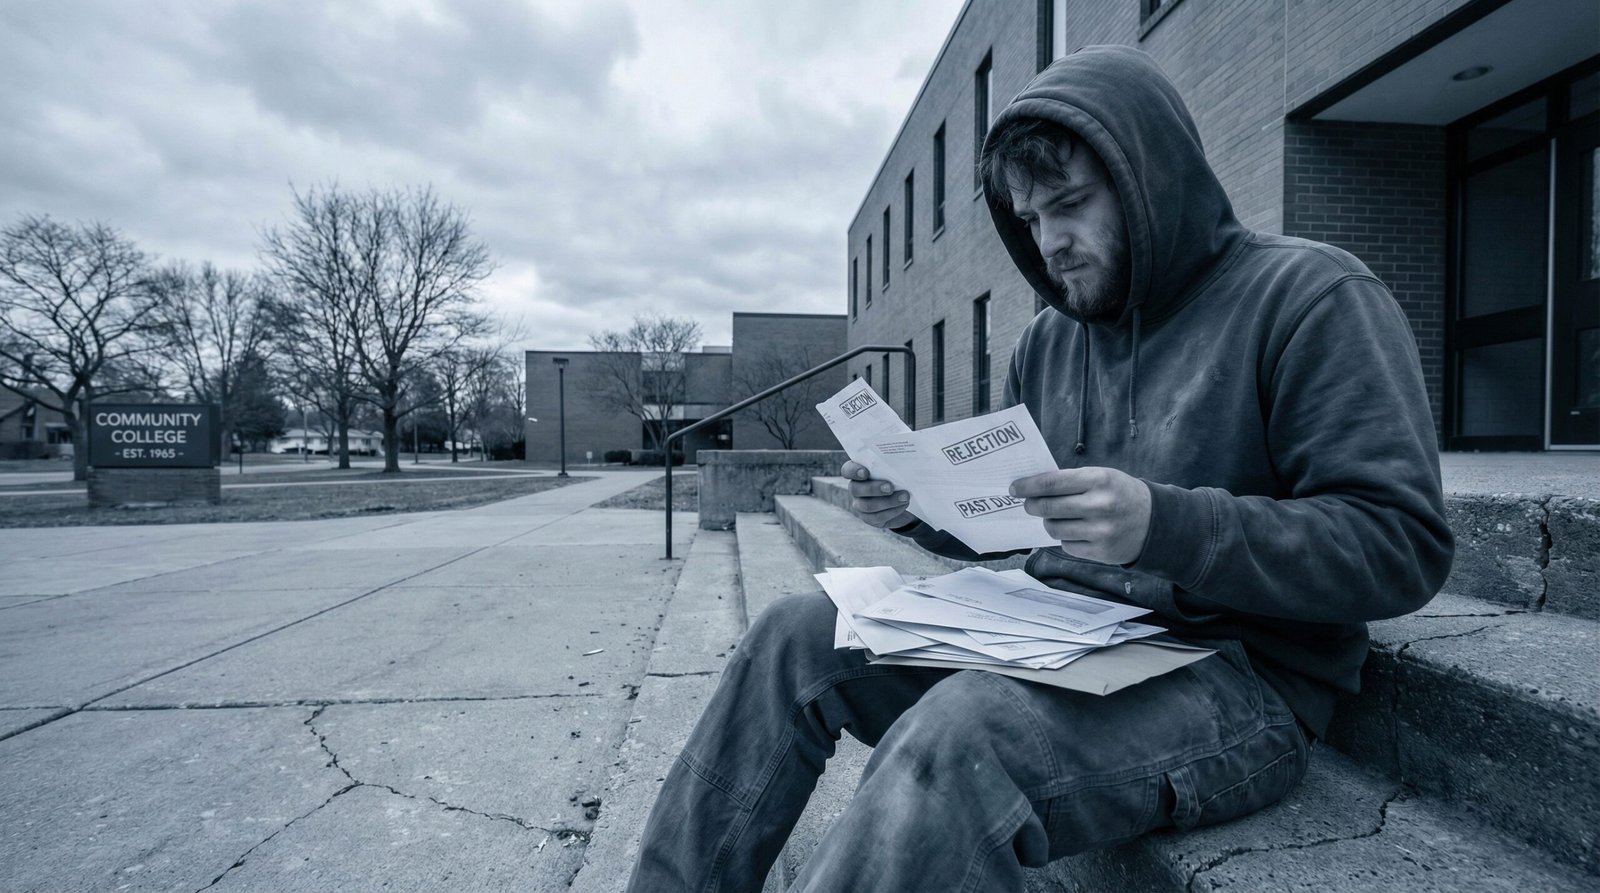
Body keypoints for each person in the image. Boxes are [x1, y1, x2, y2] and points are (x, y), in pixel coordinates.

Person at [627, 45, 1452, 892]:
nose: (1049, 242)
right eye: (1029, 218)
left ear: (1151, 180)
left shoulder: (1309, 297)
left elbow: (1401, 545)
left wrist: (1165, 526)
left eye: (1070, 205)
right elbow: (1016, 528)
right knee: (795, 633)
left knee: (965, 734)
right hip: (1055, 636)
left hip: (1237, 674)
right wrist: (918, 509)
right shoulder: (1049, 342)